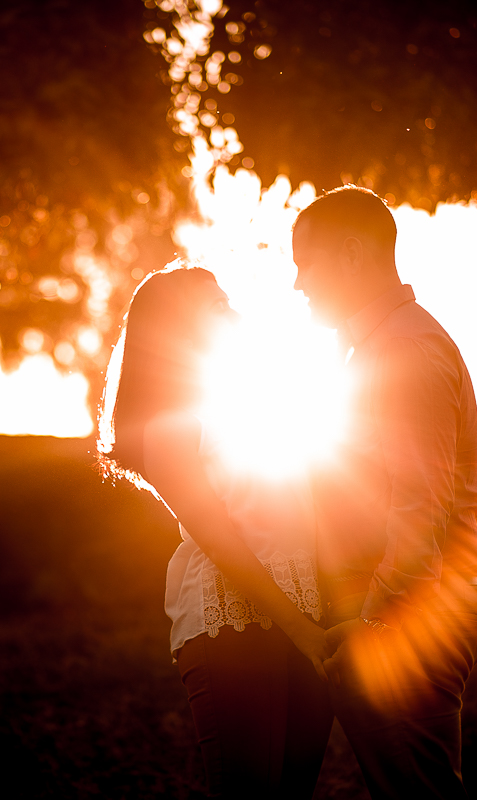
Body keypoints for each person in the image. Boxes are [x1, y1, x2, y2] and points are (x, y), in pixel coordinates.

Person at [97, 263, 333, 797]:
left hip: (310, 622)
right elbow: (218, 534)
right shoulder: (167, 424)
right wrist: (300, 630)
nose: (235, 313)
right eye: (216, 307)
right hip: (231, 625)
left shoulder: (263, 401)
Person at [291, 185, 477, 799]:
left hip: (405, 621)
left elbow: (419, 511)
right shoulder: (373, 346)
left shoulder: (405, 350)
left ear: (352, 254)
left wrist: (370, 623)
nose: (297, 284)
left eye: (305, 263)